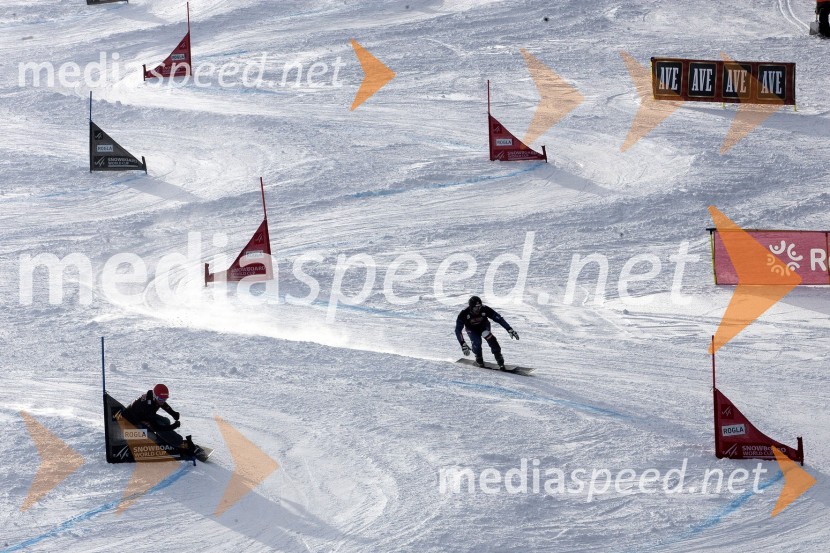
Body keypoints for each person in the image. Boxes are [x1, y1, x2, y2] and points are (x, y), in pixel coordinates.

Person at [455, 295, 519, 369]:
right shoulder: (464, 313)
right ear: (471, 307)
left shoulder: (485, 309)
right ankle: (479, 358)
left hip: (484, 326)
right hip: (472, 329)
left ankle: (499, 358)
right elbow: (458, 330)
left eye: (480, 306)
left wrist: (509, 329)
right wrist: (462, 343)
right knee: (477, 342)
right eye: (476, 307)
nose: (478, 309)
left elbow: (499, 319)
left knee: (489, 336)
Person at [119, 383, 184, 447]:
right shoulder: (148, 406)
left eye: (165, 399)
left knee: (166, 421)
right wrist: (174, 426)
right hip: (130, 423)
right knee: (161, 425)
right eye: (161, 399)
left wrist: (173, 413)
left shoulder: (152, 396)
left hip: (142, 416)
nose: (162, 401)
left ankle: (165, 439)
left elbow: (163, 404)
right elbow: (156, 427)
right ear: (155, 396)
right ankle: (179, 443)